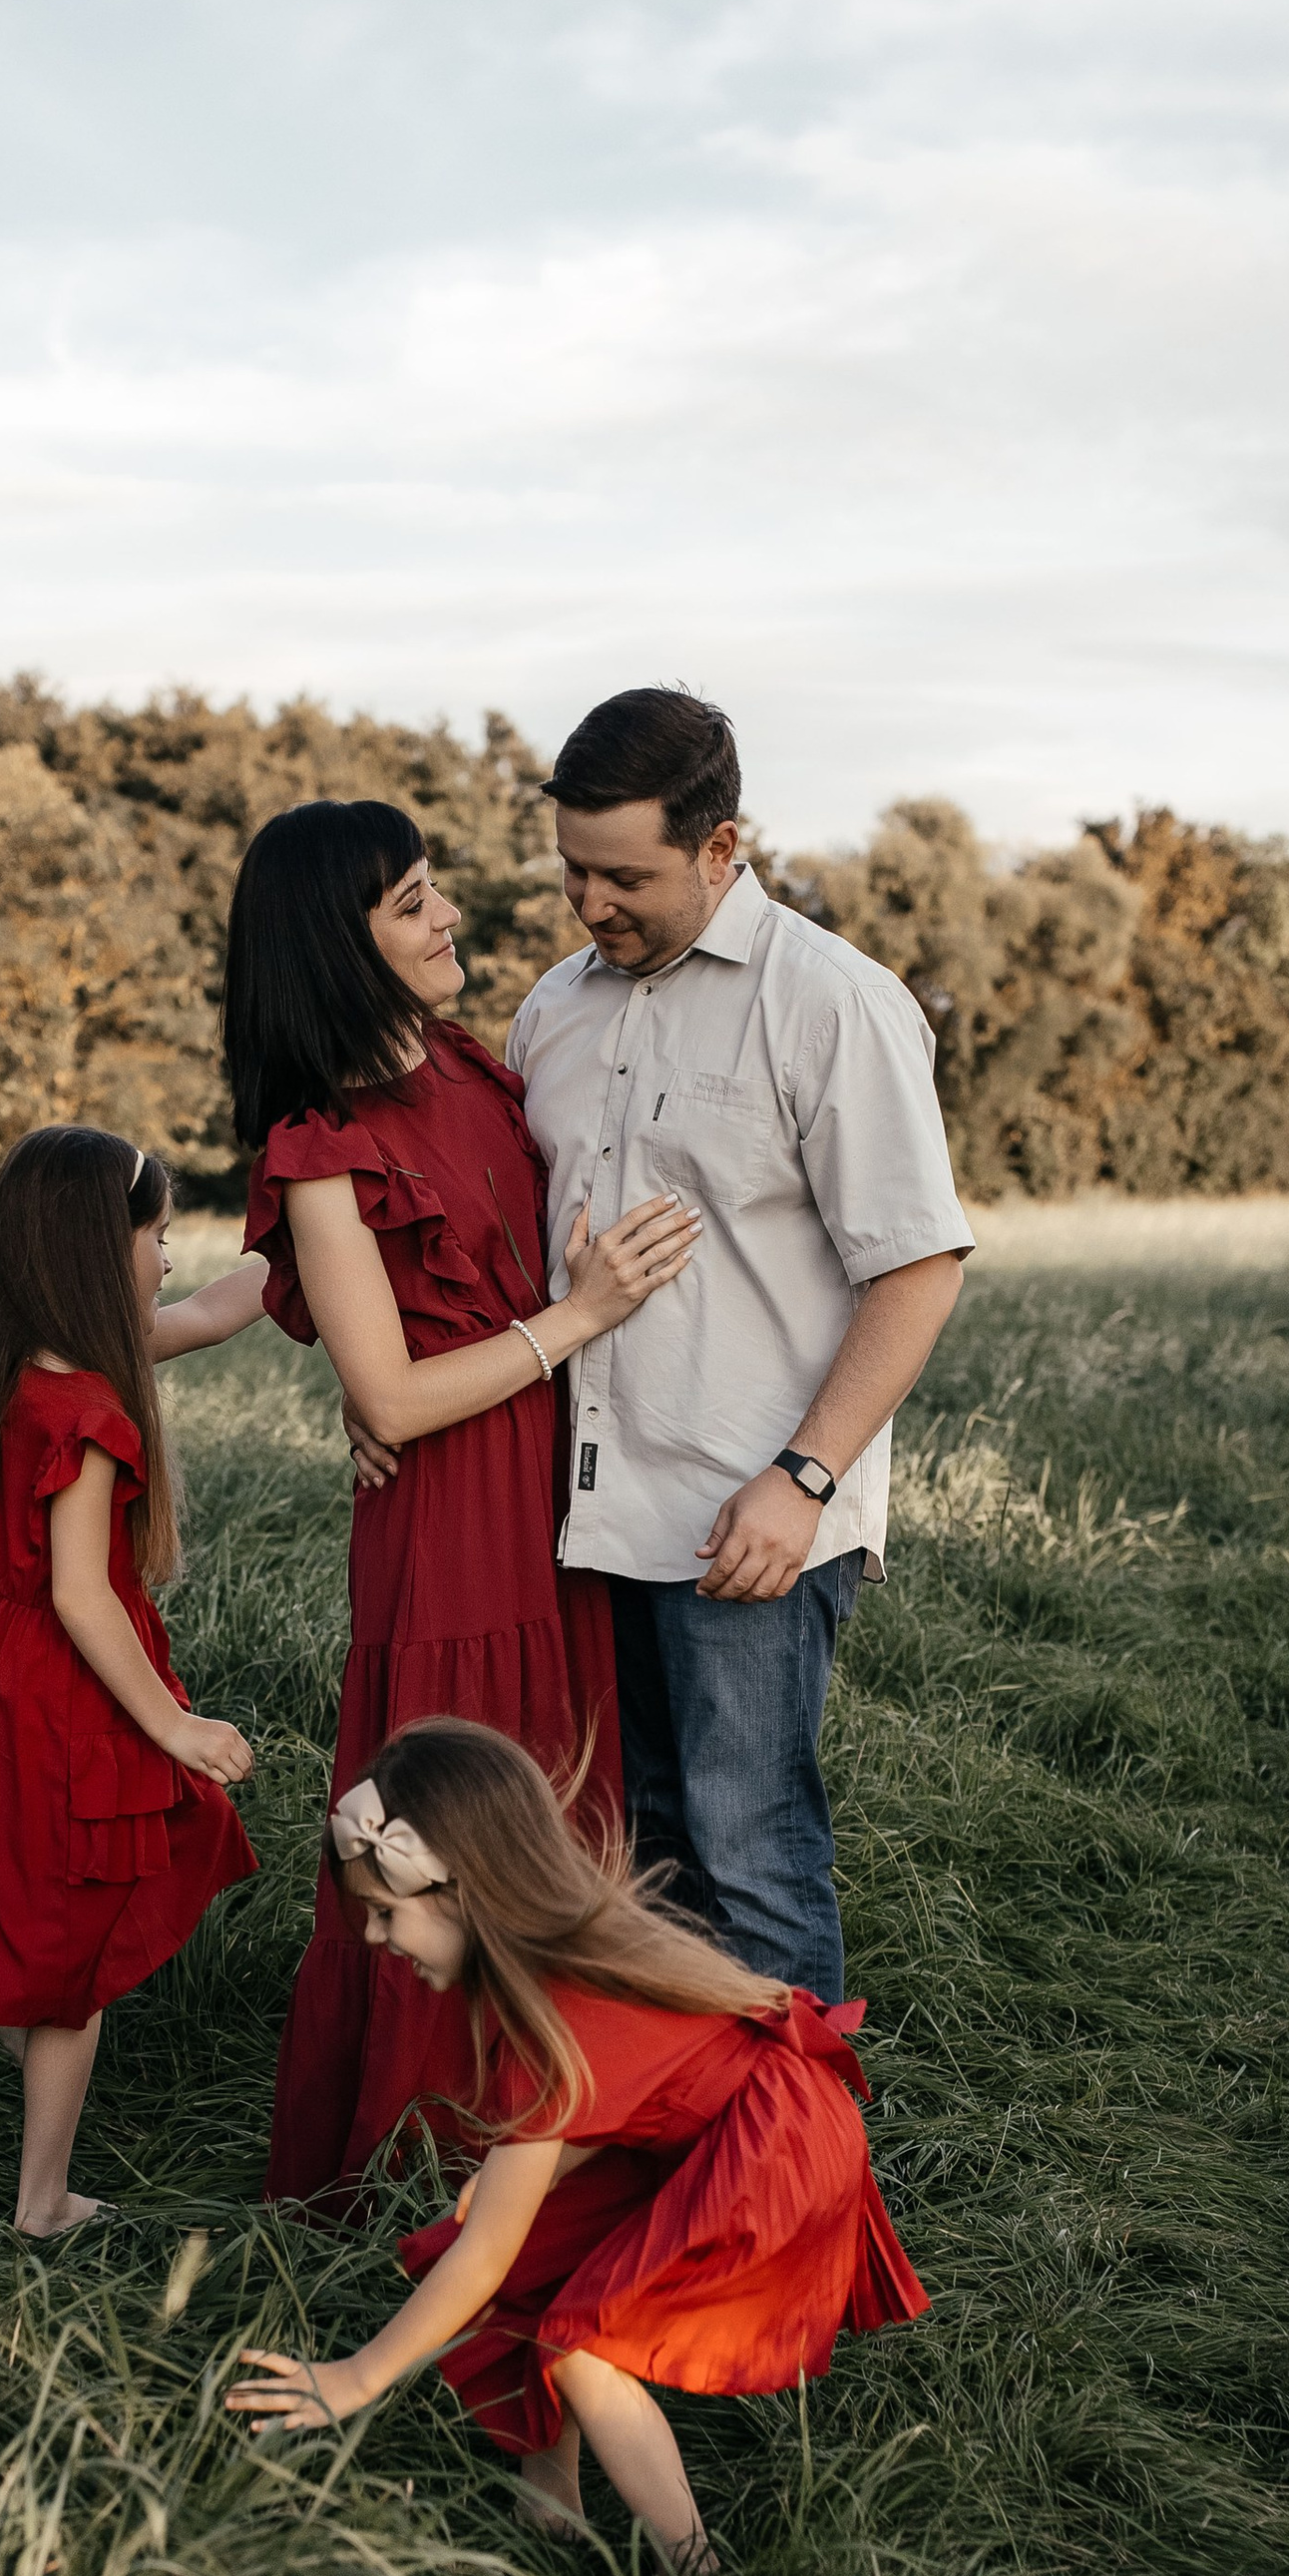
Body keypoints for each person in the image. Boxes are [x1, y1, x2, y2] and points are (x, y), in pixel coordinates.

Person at [226, 796, 700, 2203]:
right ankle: (434, 2164)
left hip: (553, 1501)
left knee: (556, 1810)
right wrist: (582, 1315)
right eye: (415, 905)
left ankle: (561, 2138)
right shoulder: (320, 1144)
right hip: (449, 1527)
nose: (450, 923)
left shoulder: (470, 1070)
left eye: (436, 894)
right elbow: (390, 1398)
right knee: (453, 1823)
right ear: (341, 941)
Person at [507, 685, 972, 2002]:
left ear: (722, 848)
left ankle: (797, 2181)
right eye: (572, 872)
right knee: (632, 1860)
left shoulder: (834, 1003)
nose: (592, 904)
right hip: (583, 1517)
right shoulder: (552, 1012)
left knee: (751, 1857)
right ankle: (683, 2158)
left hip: (749, 1522)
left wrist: (805, 1479)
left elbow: (920, 1269)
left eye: (626, 876)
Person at [225, 1719, 929, 2576]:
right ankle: (548, 2508)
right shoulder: (550, 1961)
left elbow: (486, 2256)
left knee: (585, 2347)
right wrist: (512, 2179)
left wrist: (358, 2377)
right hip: (729, 2123)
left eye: (384, 1912)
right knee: (529, 2252)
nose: (375, 1940)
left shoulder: (547, 2016)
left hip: (773, 2148)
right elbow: (640, 2088)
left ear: (459, 1893)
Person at [0, 1124, 265, 2236]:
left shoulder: (43, 1368)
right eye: (157, 1236)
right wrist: (175, 1725)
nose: (170, 1258)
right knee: (74, 1957)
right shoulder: (93, 1415)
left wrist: (304, 1225)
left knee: (36, 1904)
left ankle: (35, 2052)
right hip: (74, 1686)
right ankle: (41, 2201)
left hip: (11, 1676)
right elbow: (82, 1593)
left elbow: (215, 1311)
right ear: (91, 1249)